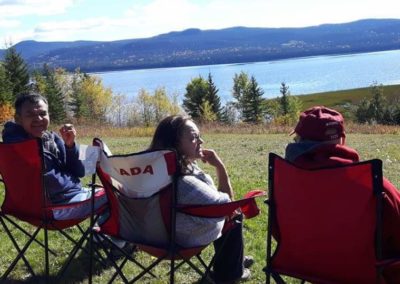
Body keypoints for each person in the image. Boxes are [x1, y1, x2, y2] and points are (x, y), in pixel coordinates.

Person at [285, 106, 400, 283]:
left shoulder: (286, 179)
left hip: (305, 264)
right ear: (341, 140)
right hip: (366, 273)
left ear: (299, 140)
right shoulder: (373, 185)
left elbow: (280, 230)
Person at [148, 115, 253, 283]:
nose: (201, 141)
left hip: (145, 238)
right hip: (178, 241)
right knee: (235, 216)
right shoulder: (185, 182)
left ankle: (234, 262)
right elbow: (229, 207)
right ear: (174, 144)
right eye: (194, 138)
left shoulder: (146, 173)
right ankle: (231, 273)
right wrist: (220, 166)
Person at [2, 91, 107, 220]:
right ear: (18, 119)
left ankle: (104, 237)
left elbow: (79, 172)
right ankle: (105, 240)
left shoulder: (51, 138)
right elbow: (54, 183)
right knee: (117, 196)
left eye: (42, 113)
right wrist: (74, 183)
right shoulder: (19, 147)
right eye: (30, 114)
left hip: (60, 199)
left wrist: (70, 146)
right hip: (55, 207)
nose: (38, 119)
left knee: (112, 191)